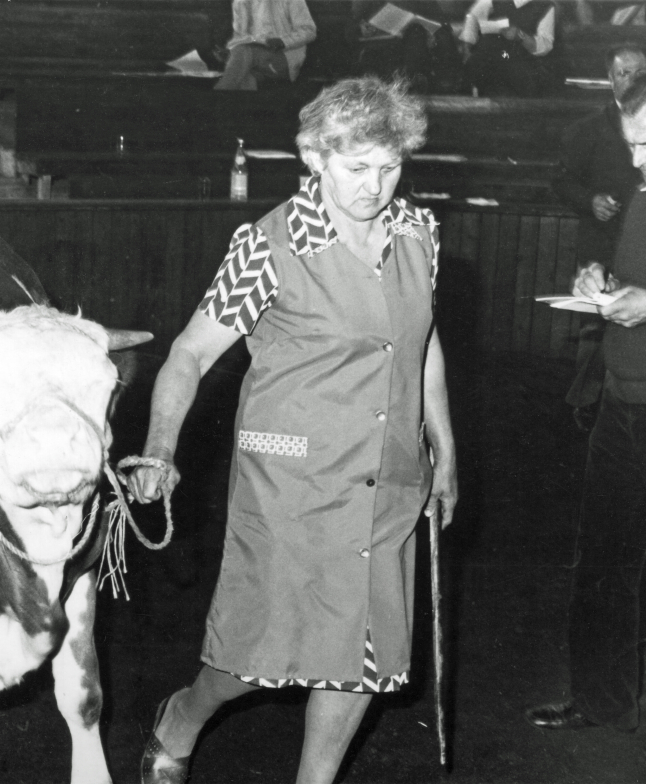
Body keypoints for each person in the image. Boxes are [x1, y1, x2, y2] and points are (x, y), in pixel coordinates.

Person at [131, 75, 458, 784]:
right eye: (356, 168)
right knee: (258, 654)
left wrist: (445, 446)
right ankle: (185, 713)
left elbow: (423, 339)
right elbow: (189, 354)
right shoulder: (268, 246)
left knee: (363, 654)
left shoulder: (418, 232)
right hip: (292, 482)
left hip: (387, 476)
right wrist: (160, 446)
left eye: (389, 167)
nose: (374, 187)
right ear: (314, 157)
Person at [524, 71, 646, 771]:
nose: (637, 160)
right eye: (632, 145)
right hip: (622, 407)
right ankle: (600, 698)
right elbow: (642, 284)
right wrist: (602, 285)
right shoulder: (645, 201)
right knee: (603, 564)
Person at [553, 44, 646, 427]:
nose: (634, 79)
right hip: (601, 245)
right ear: (610, 79)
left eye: (640, 71)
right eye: (625, 73)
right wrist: (590, 200)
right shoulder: (587, 129)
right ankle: (585, 404)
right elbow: (561, 181)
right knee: (595, 330)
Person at [458, 0, 557, 97]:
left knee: (503, 65)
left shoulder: (545, 5)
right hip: (491, 55)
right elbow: (472, 17)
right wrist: (467, 46)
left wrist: (519, 35)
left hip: (519, 61)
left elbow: (545, 45)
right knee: (476, 63)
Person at [213, 0, 316, 91]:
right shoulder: (240, 2)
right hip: (254, 59)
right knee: (245, 77)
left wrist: (283, 42)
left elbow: (309, 30)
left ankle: (217, 98)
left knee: (243, 55)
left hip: (285, 57)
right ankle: (238, 105)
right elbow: (240, 38)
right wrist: (231, 52)